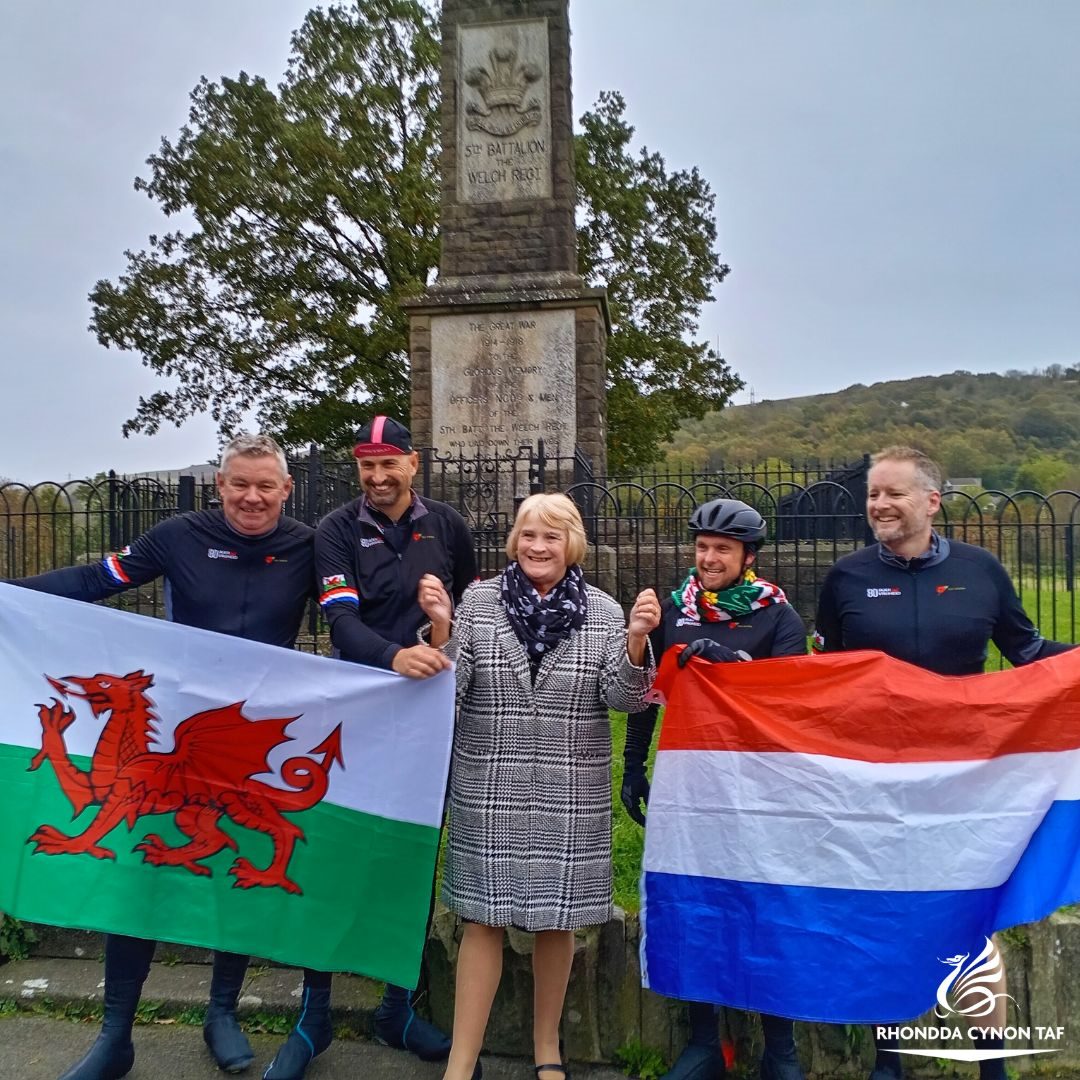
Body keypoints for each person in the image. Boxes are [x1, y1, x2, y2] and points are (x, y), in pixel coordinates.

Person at [7, 434, 314, 1080]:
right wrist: (10, 596)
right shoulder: (178, 537)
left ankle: (222, 1011)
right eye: (238, 484)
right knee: (137, 876)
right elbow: (99, 578)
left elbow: (357, 618)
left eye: (265, 486)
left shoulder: (307, 548)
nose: (251, 497)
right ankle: (115, 1034)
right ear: (219, 485)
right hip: (172, 735)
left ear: (286, 490)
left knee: (228, 861)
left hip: (238, 741)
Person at [814, 445, 1076, 1080]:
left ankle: (992, 1067)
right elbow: (822, 676)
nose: (879, 504)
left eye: (894, 493)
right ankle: (890, 1057)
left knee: (972, 915)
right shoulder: (845, 577)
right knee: (885, 909)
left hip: (966, 775)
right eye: (874, 494)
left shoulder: (981, 570)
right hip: (875, 774)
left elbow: (1027, 649)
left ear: (932, 500)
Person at [420, 492, 661, 1080]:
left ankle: (548, 1048)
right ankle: (462, 1061)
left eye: (551, 536)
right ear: (514, 542)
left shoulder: (605, 612)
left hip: (570, 790)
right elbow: (445, 696)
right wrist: (442, 631)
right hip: (488, 785)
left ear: (571, 544)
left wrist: (634, 643)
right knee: (482, 921)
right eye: (528, 535)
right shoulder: (477, 603)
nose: (537, 547)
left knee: (558, 921)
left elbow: (625, 699)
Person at [288, 414, 476, 1078]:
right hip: (357, 711)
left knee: (409, 853)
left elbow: (470, 608)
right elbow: (339, 619)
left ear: (412, 463)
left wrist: (441, 624)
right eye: (366, 465)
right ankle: (313, 1015)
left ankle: (396, 1006)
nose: (376, 476)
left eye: (387, 463)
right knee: (332, 851)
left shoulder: (447, 526)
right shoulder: (338, 529)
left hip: (427, 715)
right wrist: (395, 655)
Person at [620, 498, 809, 1080]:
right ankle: (705, 1041)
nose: (708, 559)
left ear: (748, 557)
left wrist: (737, 666)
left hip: (759, 784)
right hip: (691, 782)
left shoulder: (778, 616)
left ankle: (779, 1046)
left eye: (722, 550)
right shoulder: (674, 610)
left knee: (763, 906)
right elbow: (650, 690)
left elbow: (793, 704)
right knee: (696, 905)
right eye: (702, 548)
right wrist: (632, 764)